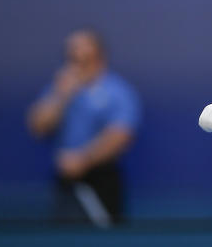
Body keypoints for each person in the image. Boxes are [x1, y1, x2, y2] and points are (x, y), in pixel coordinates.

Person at [26, 29, 140, 224]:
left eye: (84, 58)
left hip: (101, 179)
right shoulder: (59, 89)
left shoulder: (117, 91)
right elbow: (38, 126)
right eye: (72, 58)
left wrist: (83, 159)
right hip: (66, 180)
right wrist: (61, 96)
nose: (77, 64)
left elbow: (120, 135)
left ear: (99, 58)